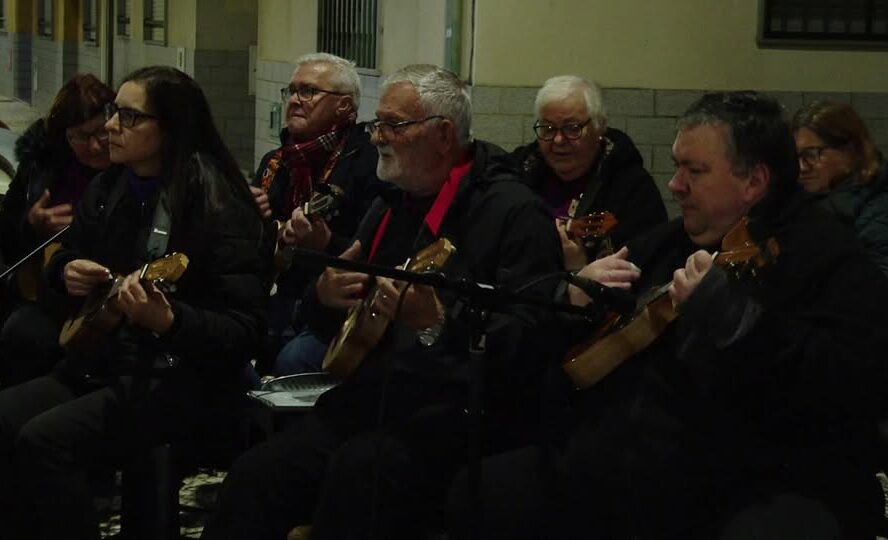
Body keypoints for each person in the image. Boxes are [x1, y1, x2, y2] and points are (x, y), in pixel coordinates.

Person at [449, 91, 888, 539]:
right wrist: (571, 292)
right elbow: (561, 333)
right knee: (484, 490)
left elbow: (854, 384)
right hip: (624, 461)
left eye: (694, 171)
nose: (675, 184)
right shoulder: (669, 242)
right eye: (678, 165)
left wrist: (742, 324)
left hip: (756, 477)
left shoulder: (825, 253)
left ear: (754, 182)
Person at [200, 64, 564, 540]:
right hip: (380, 392)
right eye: (377, 124)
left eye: (393, 125)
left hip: (465, 411)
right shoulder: (391, 203)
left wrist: (438, 323)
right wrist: (325, 295)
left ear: (442, 135)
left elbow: (531, 339)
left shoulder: (514, 212)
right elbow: (344, 309)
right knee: (259, 473)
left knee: (359, 474)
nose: (376, 137)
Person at [0, 66, 268, 540]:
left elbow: (243, 329)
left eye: (128, 117)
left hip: (180, 381)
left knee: (45, 441)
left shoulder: (218, 204)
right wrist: (68, 271)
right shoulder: (110, 187)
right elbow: (71, 254)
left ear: (170, 128)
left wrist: (170, 320)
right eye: (111, 113)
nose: (109, 127)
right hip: (107, 362)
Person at [251, 52, 380, 379]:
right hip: (277, 295)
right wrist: (251, 221)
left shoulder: (369, 162)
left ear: (345, 106)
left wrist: (325, 242)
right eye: (291, 91)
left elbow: (373, 251)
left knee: (292, 361)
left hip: (336, 309)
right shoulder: (275, 161)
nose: (295, 100)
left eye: (308, 91)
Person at [0, 74, 115, 387]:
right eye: (80, 136)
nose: (94, 146)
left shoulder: (132, 167)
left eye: (101, 133)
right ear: (64, 138)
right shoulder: (42, 166)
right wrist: (31, 225)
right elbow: (8, 240)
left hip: (105, 299)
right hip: (44, 290)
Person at [505, 75, 666, 270]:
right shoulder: (517, 176)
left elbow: (642, 275)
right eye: (547, 128)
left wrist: (580, 270)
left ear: (599, 127)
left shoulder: (634, 192)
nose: (558, 140)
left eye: (572, 128)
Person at [792, 100, 888, 276]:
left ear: (850, 151)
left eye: (812, 155)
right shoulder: (804, 200)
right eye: (796, 156)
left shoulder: (878, 206)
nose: (802, 168)